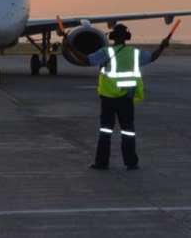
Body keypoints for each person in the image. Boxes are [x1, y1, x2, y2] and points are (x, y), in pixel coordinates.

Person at [63, 23, 170, 171]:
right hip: (126, 98)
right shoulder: (134, 53)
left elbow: (86, 60)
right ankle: (131, 162)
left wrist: (71, 47)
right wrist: (162, 46)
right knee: (128, 131)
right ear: (127, 37)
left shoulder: (106, 53)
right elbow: (152, 57)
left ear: (112, 37)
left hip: (108, 97)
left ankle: (101, 163)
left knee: (106, 131)